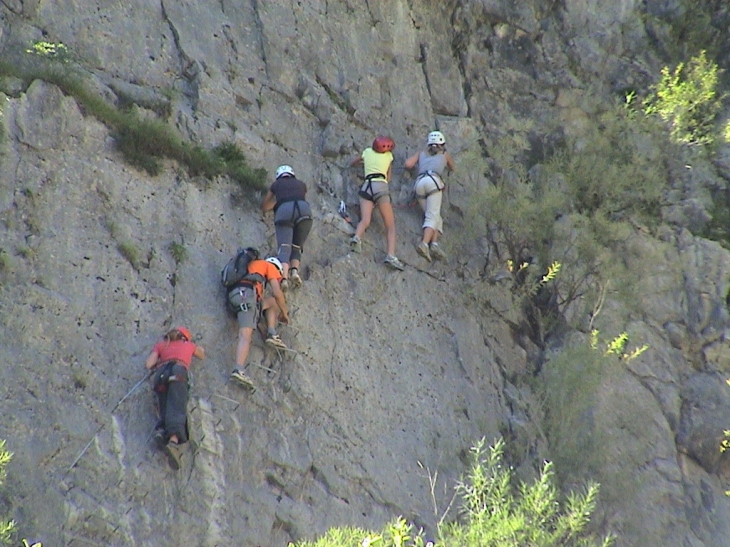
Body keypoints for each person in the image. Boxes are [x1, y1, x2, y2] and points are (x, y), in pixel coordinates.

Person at [144, 326, 205, 470]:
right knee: (177, 405)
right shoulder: (188, 345)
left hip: (161, 374)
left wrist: (162, 361)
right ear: (184, 337)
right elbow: (201, 355)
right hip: (178, 372)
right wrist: (199, 348)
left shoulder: (161, 345)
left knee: (164, 403)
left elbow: (148, 364)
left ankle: (161, 431)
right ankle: (173, 440)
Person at [227, 256, 290, 390]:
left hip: (235, 296)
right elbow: (277, 293)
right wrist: (285, 313)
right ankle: (238, 369)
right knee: (246, 335)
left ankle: (271, 333)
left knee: (271, 303)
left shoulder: (251, 268)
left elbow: (263, 305)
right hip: (245, 296)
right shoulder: (269, 266)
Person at [349, 136, 405, 270]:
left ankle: (357, 237)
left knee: (365, 219)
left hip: (366, 186)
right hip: (380, 187)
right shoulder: (389, 157)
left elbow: (354, 162)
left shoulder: (367, 152)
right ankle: (391, 255)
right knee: (390, 226)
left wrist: (366, 164)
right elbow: (388, 177)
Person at [404, 130, 455, 262]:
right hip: (433, 182)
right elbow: (452, 168)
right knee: (432, 216)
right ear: (441, 144)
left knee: (434, 216)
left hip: (419, 183)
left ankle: (434, 245)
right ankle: (424, 244)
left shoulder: (421, 153)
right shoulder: (445, 154)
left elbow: (408, 164)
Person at [260, 165, 313, 291]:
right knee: (297, 246)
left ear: (279, 176)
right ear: (292, 174)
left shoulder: (276, 185)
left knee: (284, 248)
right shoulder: (301, 184)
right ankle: (294, 272)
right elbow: (297, 197)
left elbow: (264, 205)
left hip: (284, 211)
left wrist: (277, 203)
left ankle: (284, 278)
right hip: (304, 210)